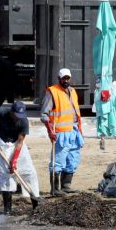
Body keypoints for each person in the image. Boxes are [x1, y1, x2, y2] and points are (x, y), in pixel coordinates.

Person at [0, 101, 40, 214]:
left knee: (29, 172)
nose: (19, 118)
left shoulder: (24, 122)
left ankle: (36, 205)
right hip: (3, 144)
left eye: (21, 116)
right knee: (7, 175)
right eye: (17, 116)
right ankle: (7, 210)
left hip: (18, 144)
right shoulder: (3, 111)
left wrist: (14, 161)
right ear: (12, 112)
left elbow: (20, 142)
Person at [41, 68, 84, 196]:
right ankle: (54, 189)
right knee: (58, 160)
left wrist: (79, 130)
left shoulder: (72, 91)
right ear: (59, 79)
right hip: (60, 132)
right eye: (64, 78)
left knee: (73, 158)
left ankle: (66, 185)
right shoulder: (52, 92)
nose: (66, 80)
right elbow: (44, 115)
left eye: (68, 78)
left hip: (74, 130)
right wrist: (50, 131)